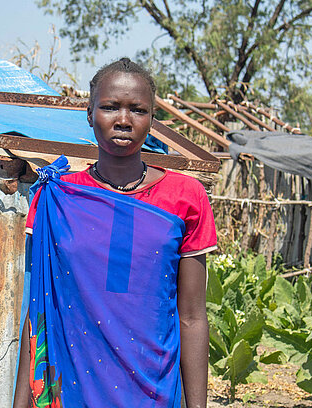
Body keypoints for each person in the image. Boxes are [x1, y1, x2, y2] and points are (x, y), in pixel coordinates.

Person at [14, 58, 217, 408]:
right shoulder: (58, 198)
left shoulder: (186, 197)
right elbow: (39, 313)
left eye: (137, 109)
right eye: (110, 107)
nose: (123, 120)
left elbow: (193, 316)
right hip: (71, 389)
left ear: (152, 119)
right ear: (89, 112)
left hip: (151, 389)